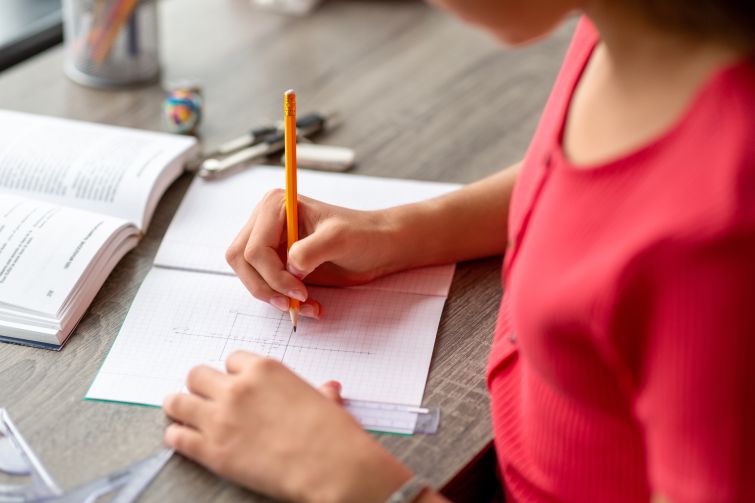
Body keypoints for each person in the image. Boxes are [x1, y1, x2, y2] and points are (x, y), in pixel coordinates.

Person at [161, 0, 755, 501]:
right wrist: (402, 231)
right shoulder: (630, 25)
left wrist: (355, 482)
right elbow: (598, 187)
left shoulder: (722, 238)